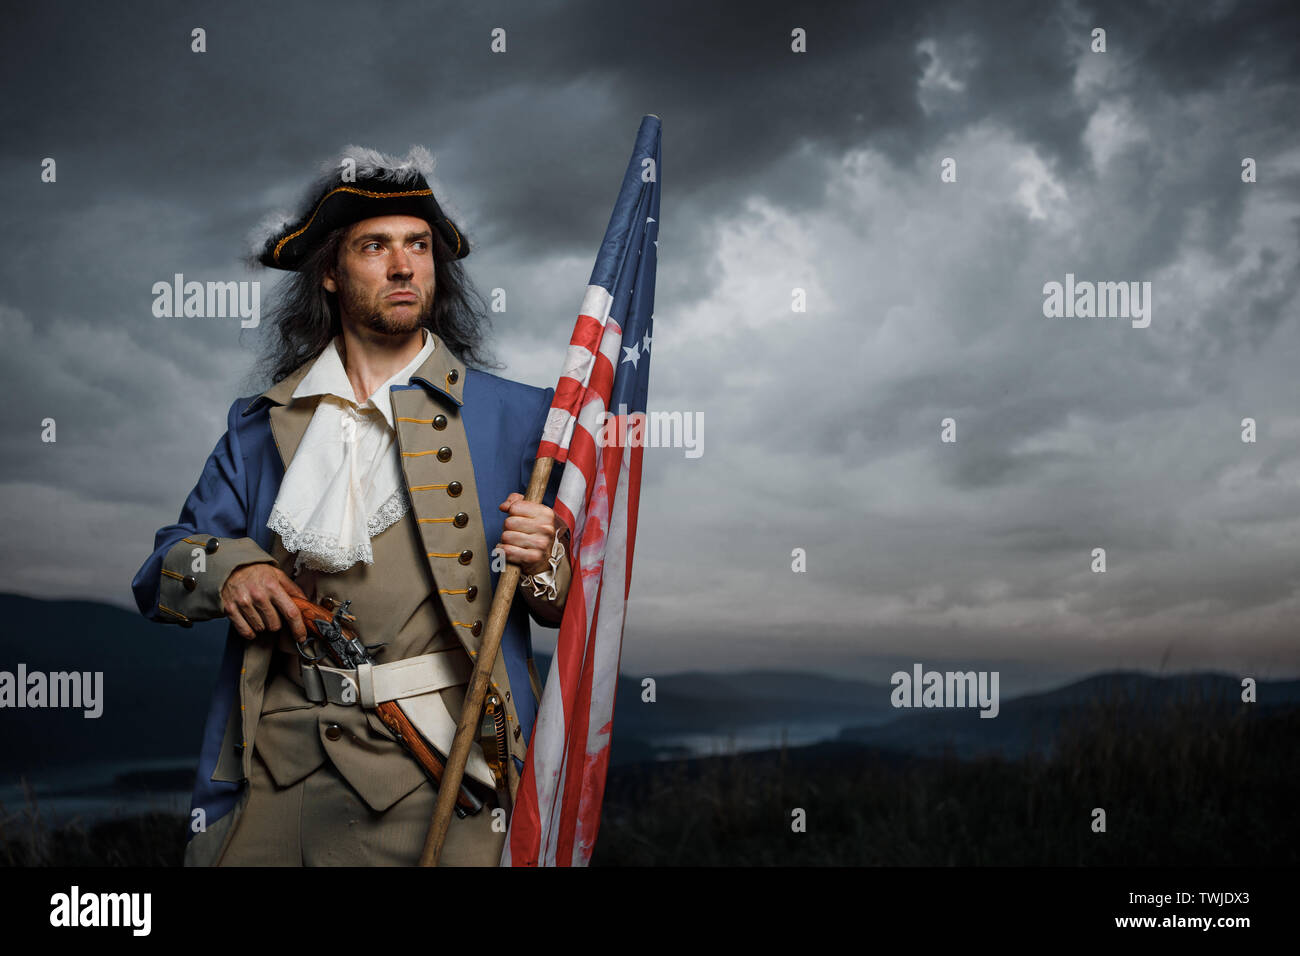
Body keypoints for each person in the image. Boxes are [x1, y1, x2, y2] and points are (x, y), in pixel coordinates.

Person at [131, 145, 571, 866]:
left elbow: (567, 602)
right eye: (376, 247)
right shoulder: (260, 422)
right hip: (276, 766)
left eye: (418, 247)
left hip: (441, 767)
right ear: (331, 273)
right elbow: (161, 572)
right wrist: (234, 570)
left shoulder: (522, 419)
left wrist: (545, 557)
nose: (404, 267)